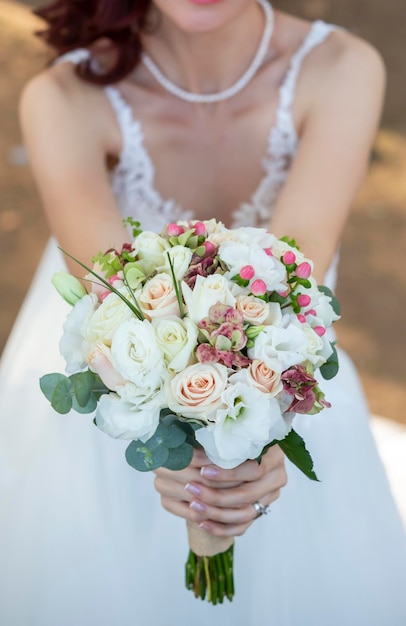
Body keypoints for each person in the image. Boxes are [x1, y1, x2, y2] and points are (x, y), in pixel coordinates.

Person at [0, 0, 405, 624]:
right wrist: (195, 468)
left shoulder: (342, 68)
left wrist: (249, 462)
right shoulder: (63, 99)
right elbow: (117, 308)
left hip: (278, 379)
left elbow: (295, 288)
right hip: (121, 397)